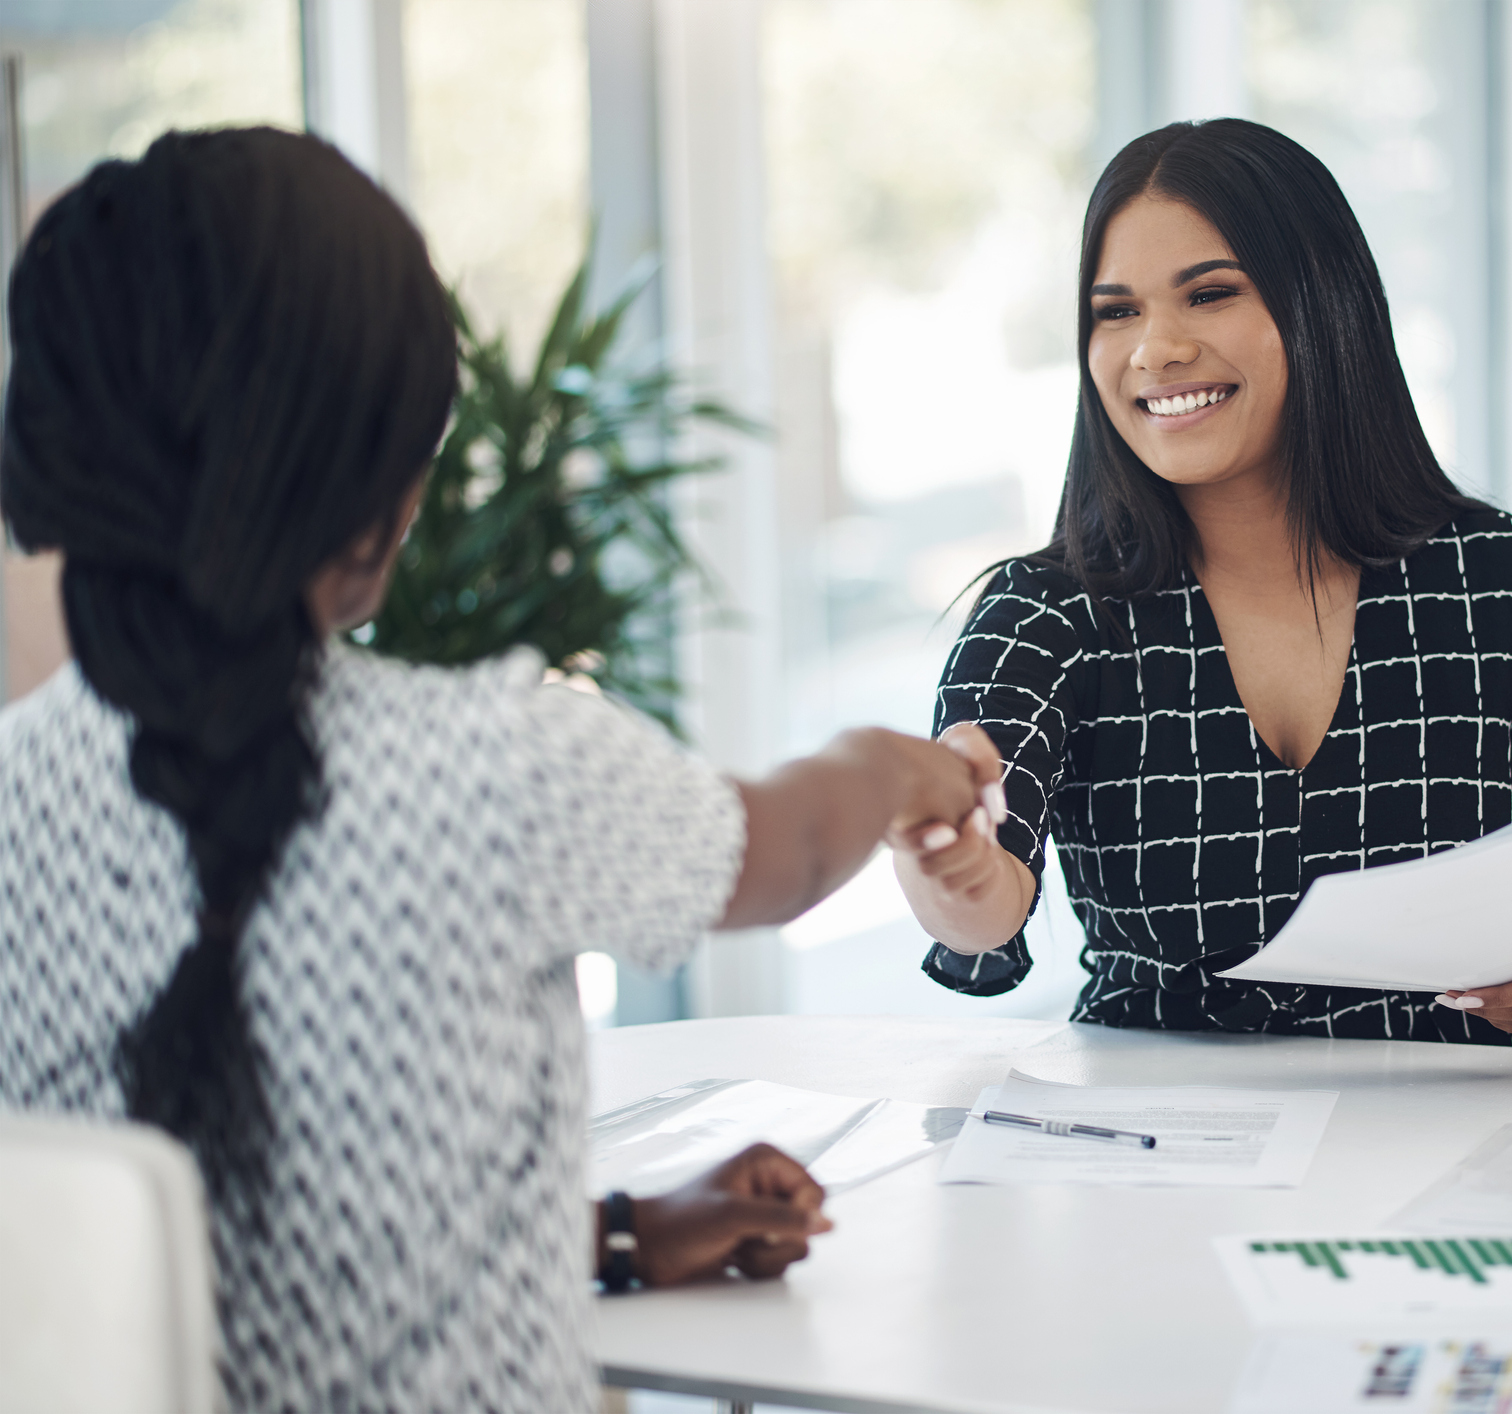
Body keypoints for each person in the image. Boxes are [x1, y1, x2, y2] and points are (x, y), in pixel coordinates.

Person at [0, 128, 997, 1412]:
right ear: (385, 497)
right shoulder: (492, 763)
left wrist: (622, 1231)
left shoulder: (15, 790)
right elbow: (787, 853)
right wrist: (890, 764)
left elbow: (194, 1245)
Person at [895, 120, 1512, 1052]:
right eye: (1115, 311)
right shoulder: (1046, 614)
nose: (1153, 350)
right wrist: (946, 857)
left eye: (1208, 295)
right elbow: (983, 916)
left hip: (1447, 1140)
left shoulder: (1503, 579)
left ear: (1323, 305)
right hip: (1156, 1155)